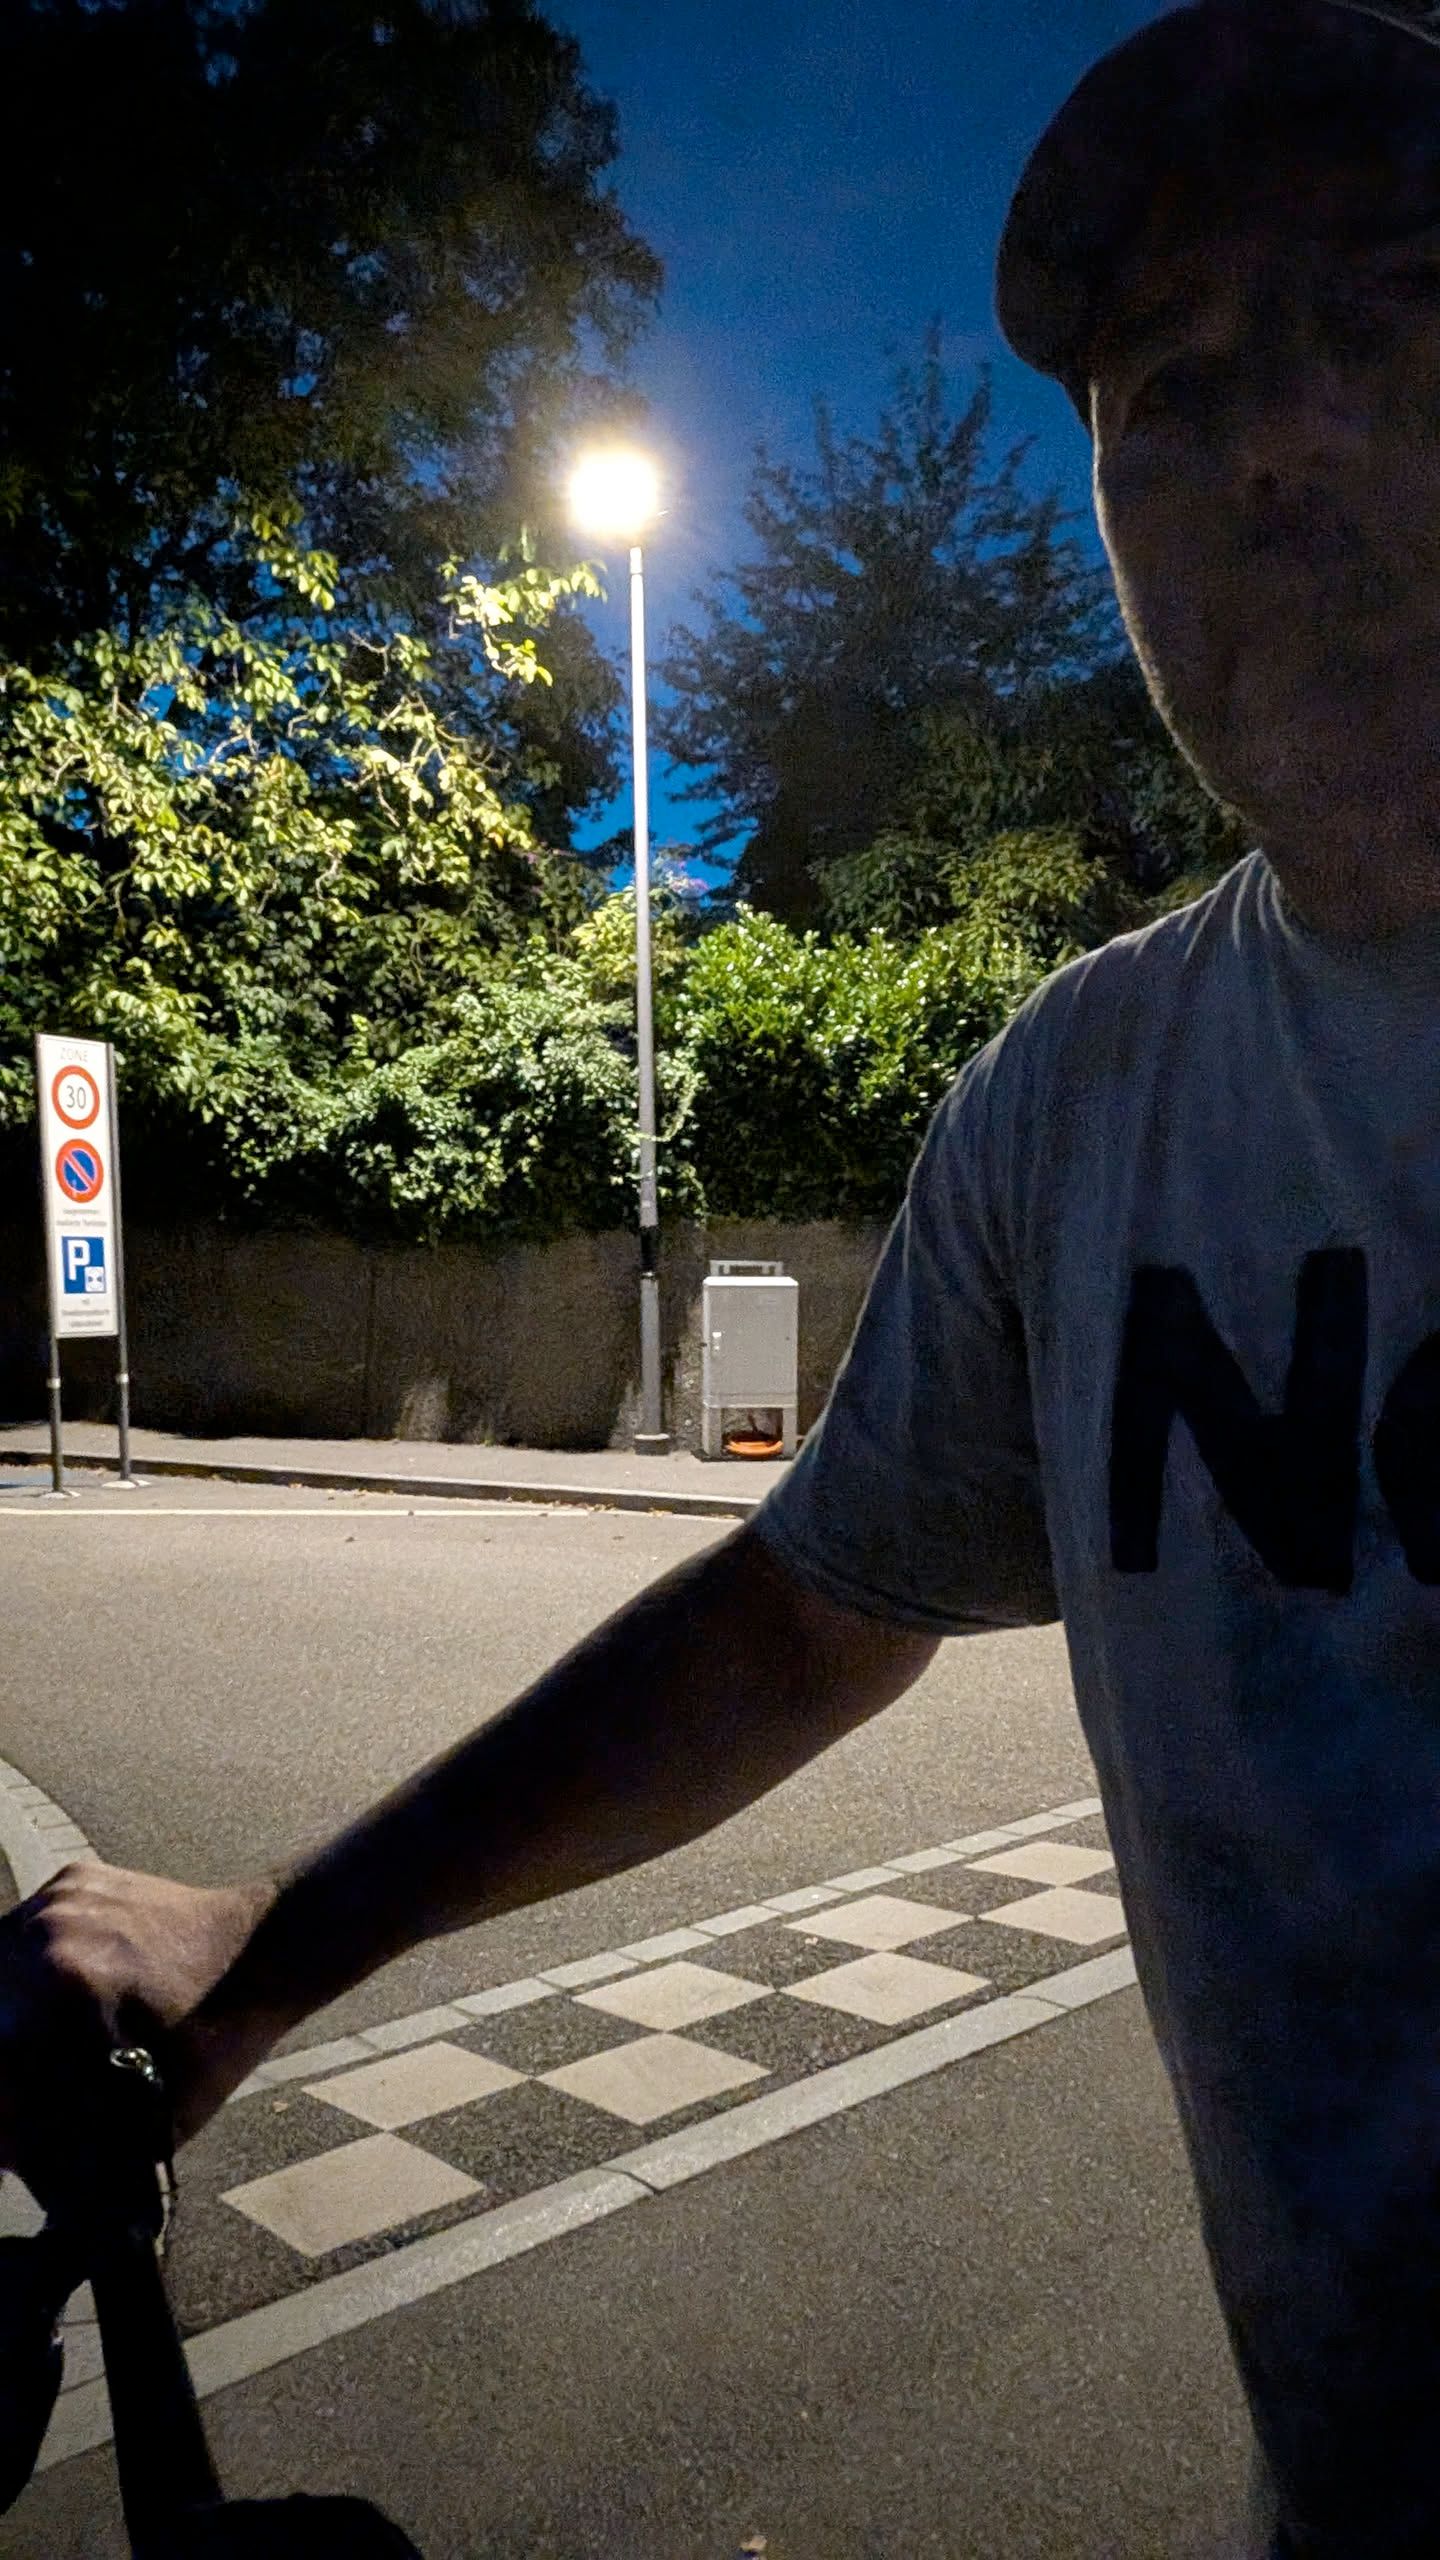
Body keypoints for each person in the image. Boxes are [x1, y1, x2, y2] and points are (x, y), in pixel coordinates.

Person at [8, 0, 1440, 2546]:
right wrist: (263, 1937)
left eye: (1389, 311)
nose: (1276, 449)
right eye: (1169, 389)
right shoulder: (1083, 1108)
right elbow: (798, 1615)